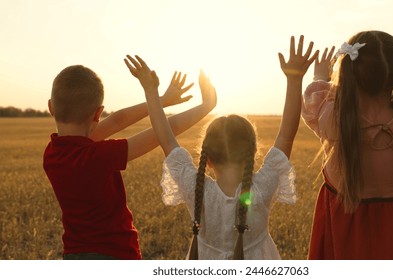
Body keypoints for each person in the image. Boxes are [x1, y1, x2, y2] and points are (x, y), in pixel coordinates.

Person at [124, 35, 319, 259]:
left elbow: (166, 139)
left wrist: (151, 91)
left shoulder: (195, 189)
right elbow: (286, 135)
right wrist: (294, 80)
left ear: (207, 158)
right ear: (253, 154)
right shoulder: (261, 189)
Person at [43, 64, 214, 260]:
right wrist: (206, 105)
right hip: (116, 254)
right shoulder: (97, 156)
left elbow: (117, 120)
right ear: (98, 113)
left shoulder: (52, 153)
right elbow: (163, 131)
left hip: (74, 255)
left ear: (51, 107)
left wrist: (163, 101)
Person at [301, 30, 393, 259]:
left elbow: (312, 106)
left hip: (346, 232)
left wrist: (321, 78)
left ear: (348, 74)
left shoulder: (336, 119)